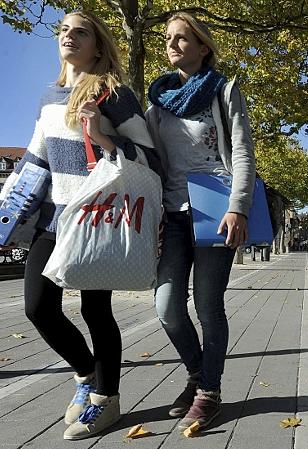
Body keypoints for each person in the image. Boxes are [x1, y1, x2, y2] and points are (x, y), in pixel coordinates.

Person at [0, 11, 156, 440]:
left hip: (95, 218)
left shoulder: (114, 94)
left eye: (80, 31)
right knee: (37, 307)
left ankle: (107, 402)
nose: (69, 36)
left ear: (98, 45)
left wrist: (103, 137)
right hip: (52, 219)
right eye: (64, 30)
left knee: (94, 309)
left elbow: (148, 159)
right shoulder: (49, 95)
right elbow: (35, 160)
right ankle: (86, 376)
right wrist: (5, 210)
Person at [145, 12, 256, 431]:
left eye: (181, 38)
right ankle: (197, 375)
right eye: (167, 38)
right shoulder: (157, 102)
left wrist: (238, 207)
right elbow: (153, 160)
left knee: (208, 305)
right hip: (172, 213)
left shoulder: (224, 90)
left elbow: (242, 151)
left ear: (203, 46)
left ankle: (209, 393)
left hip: (215, 210)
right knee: (168, 306)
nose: (171, 45)